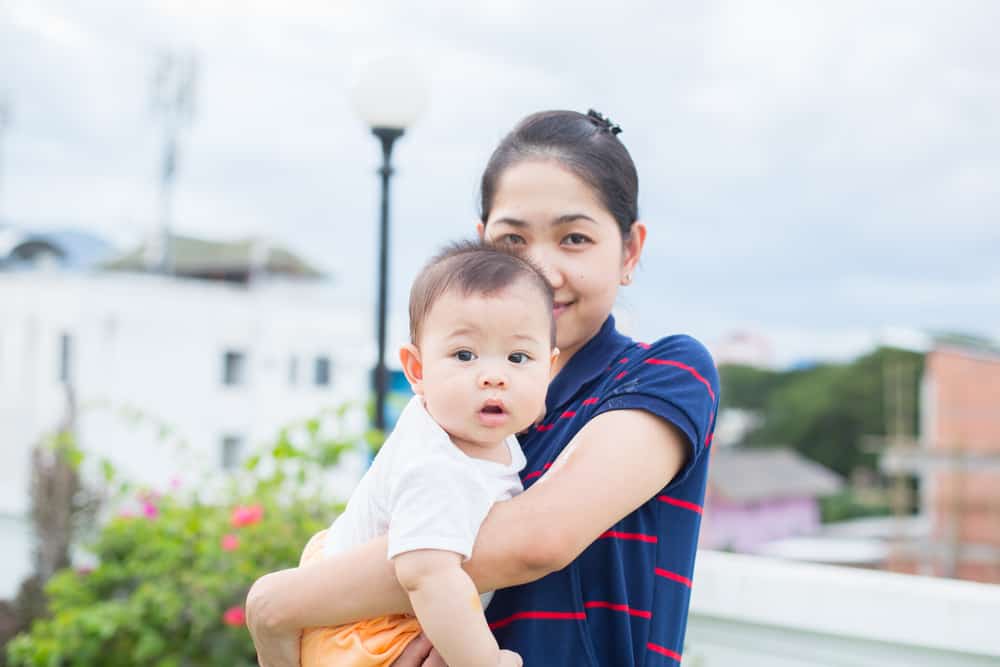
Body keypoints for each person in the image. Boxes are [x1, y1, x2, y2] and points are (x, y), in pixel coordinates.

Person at [247, 109, 720, 667]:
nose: (541, 269)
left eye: (574, 238)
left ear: (629, 251)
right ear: (481, 253)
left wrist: (278, 601)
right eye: (512, 240)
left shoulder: (663, 373)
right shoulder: (457, 408)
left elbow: (535, 540)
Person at [296, 241, 559, 667]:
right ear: (417, 370)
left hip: (364, 604)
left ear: (548, 369)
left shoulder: (471, 427)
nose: (494, 376)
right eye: (464, 355)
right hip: (364, 633)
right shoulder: (437, 465)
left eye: (518, 357)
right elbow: (428, 575)